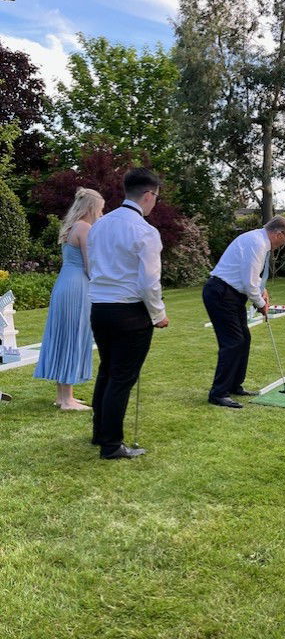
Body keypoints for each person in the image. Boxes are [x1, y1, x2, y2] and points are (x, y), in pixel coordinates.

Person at [88, 167, 169, 460]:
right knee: (121, 377)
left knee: (107, 371)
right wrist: (158, 314)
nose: (155, 202)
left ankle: (100, 433)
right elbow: (149, 281)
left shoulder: (100, 224)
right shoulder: (145, 231)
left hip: (100, 307)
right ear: (148, 195)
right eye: (155, 198)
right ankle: (111, 445)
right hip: (130, 312)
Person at [203, 215, 285, 409]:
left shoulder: (257, 240)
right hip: (221, 293)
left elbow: (253, 277)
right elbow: (249, 282)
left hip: (231, 295)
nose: (284, 244)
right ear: (279, 234)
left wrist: (263, 290)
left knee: (244, 338)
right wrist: (261, 303)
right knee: (233, 342)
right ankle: (218, 393)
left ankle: (234, 385)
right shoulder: (257, 243)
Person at [34, 188, 104, 410]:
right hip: (78, 286)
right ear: (92, 208)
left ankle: (63, 395)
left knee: (65, 335)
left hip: (65, 283)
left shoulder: (71, 226)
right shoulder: (85, 227)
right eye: (100, 209)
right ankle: (67, 400)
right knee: (73, 335)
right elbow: (90, 265)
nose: (102, 213)